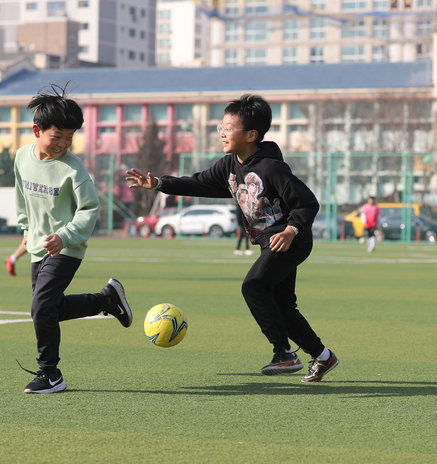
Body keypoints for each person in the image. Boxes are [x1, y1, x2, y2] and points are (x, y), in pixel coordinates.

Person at [126, 94, 338, 382]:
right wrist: (159, 183)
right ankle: (323, 357)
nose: (223, 133)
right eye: (221, 127)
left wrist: (291, 230)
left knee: (253, 287)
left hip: (291, 241)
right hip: (269, 243)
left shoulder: (271, 168)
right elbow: (198, 182)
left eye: (229, 127)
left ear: (251, 135)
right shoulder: (229, 166)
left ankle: (284, 353)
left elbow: (307, 202)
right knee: (283, 307)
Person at [14, 84, 133, 394]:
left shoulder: (73, 169)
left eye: (70, 138)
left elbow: (89, 210)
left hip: (67, 249)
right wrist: (27, 230)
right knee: (50, 309)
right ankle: (107, 299)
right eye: (58, 137)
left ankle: (50, 374)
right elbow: (21, 197)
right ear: (37, 130)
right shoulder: (22, 158)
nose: (64, 144)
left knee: (41, 307)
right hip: (39, 247)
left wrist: (64, 237)